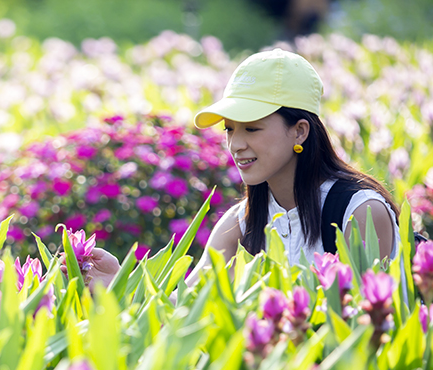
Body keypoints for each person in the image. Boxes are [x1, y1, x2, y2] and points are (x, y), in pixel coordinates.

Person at [77, 48, 402, 291]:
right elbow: (187, 305)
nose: (236, 145)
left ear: (300, 131)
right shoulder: (240, 223)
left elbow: (369, 323)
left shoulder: (360, 212)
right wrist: (118, 282)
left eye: (252, 129)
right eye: (230, 130)